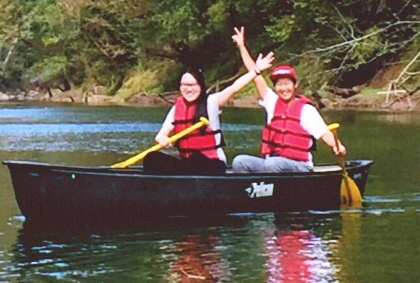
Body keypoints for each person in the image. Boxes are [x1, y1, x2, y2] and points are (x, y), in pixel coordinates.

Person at [224, 26, 346, 174]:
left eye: (287, 83)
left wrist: (337, 146)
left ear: (295, 85)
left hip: (299, 166)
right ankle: (250, 194)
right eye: (279, 85)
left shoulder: (306, 110)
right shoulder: (272, 102)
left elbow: (325, 133)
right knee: (240, 162)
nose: (283, 88)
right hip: (272, 163)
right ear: (275, 87)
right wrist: (242, 47)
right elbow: (255, 76)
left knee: (272, 164)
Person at [142, 54, 272, 173]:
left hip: (212, 165)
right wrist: (163, 139)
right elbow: (160, 136)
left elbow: (234, 88)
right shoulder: (177, 108)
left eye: (193, 85)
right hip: (188, 165)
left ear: (200, 86)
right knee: (152, 158)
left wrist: (256, 71)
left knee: (196, 158)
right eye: (184, 85)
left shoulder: (211, 102)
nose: (188, 89)